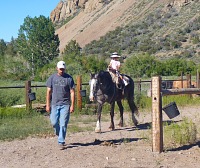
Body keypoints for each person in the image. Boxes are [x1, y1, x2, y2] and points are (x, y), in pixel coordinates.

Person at [46, 60, 75, 150]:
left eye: (63, 69)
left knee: (63, 123)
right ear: (57, 68)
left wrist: (72, 105)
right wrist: (47, 104)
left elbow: (72, 92)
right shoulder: (52, 78)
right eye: (60, 69)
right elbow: (48, 91)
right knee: (54, 122)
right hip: (54, 103)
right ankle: (59, 133)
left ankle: (61, 141)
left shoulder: (69, 78)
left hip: (65, 104)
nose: (61, 70)